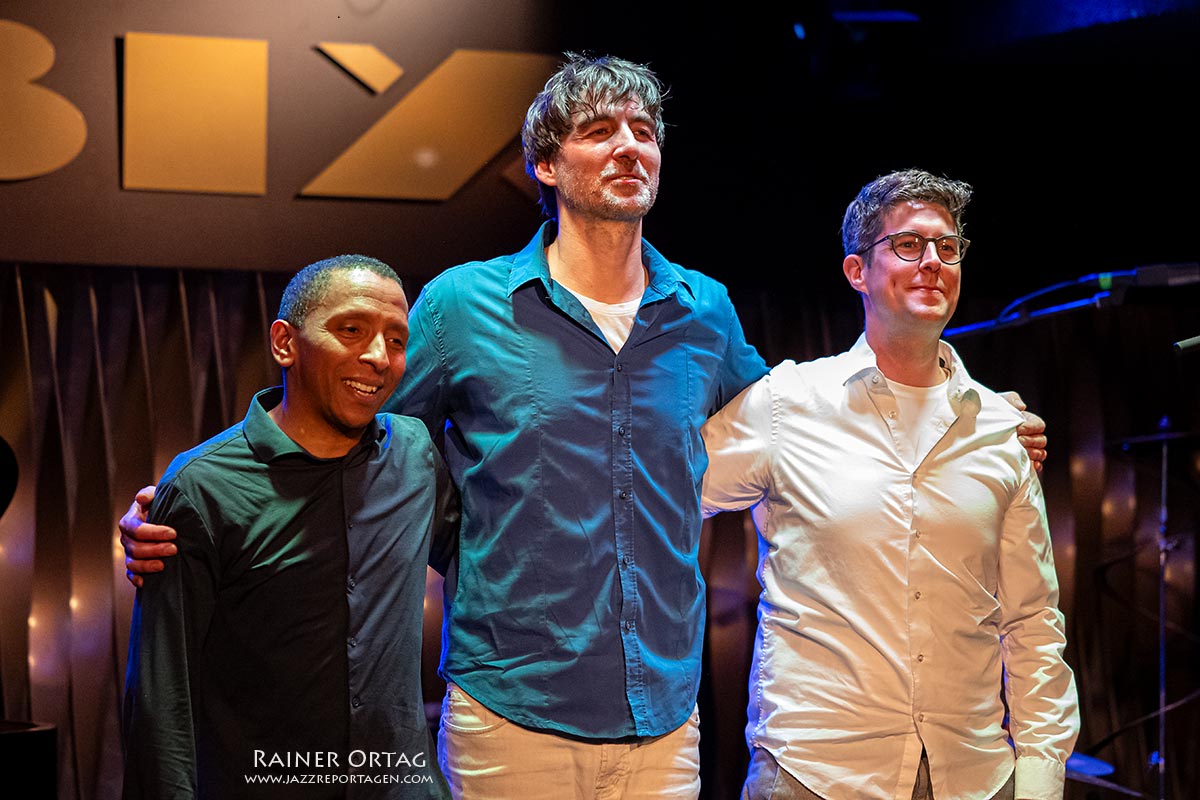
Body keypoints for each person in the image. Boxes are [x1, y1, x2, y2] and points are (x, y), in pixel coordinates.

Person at [118, 58, 1049, 799]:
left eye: (644, 131)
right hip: (508, 711)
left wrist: (973, 417)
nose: (629, 147)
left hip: (666, 719)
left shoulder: (705, 310)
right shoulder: (464, 304)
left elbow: (814, 422)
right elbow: (350, 432)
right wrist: (198, 504)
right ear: (546, 164)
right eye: (600, 131)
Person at [700, 169, 1080, 800]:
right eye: (908, 245)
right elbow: (663, 502)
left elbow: (1032, 621)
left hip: (974, 777)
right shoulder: (787, 402)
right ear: (857, 271)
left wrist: (1040, 781)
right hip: (815, 775)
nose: (932, 261)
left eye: (947, 247)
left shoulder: (999, 427)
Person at [121, 255, 456, 799]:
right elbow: (162, 698)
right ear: (285, 343)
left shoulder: (415, 455)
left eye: (396, 340)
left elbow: (488, 553)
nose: (379, 356)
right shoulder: (204, 487)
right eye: (352, 330)